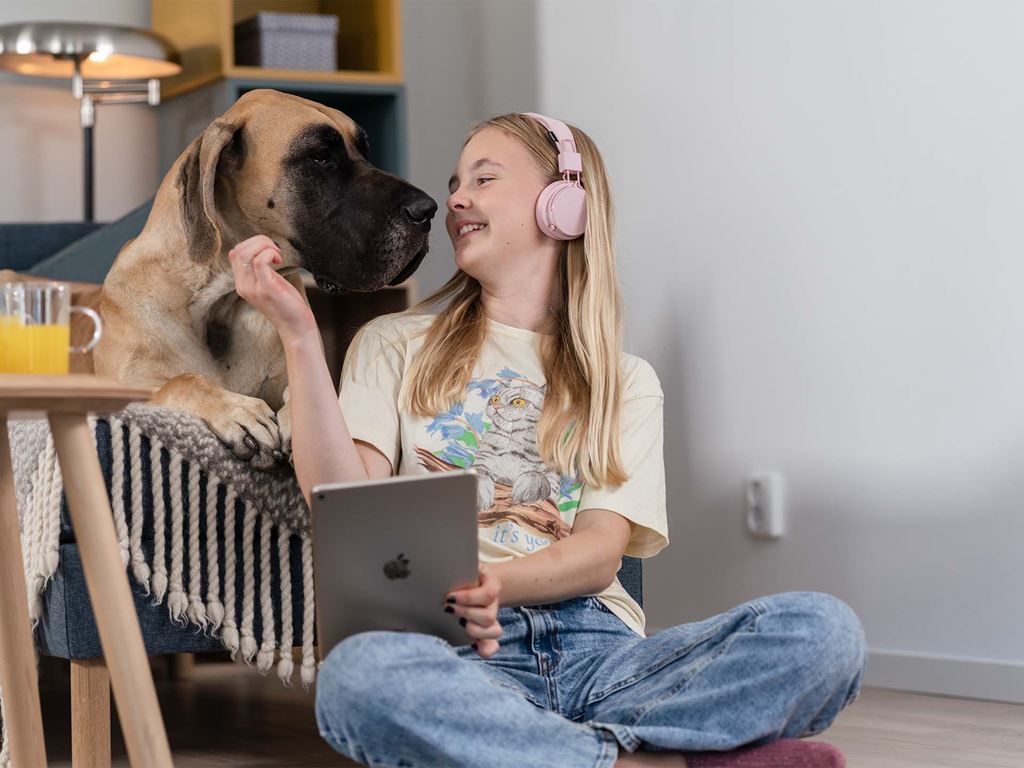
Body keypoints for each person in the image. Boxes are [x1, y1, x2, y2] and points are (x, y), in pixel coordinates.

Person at [229, 112, 867, 768]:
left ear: (563, 206)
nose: (454, 199)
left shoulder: (626, 381)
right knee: (357, 677)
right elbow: (341, 501)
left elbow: (598, 554)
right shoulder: (392, 344)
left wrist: (492, 581)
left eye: (484, 178)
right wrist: (299, 336)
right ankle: (653, 761)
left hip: (604, 659)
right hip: (459, 657)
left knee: (823, 632)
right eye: (455, 183)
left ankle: (541, 754)